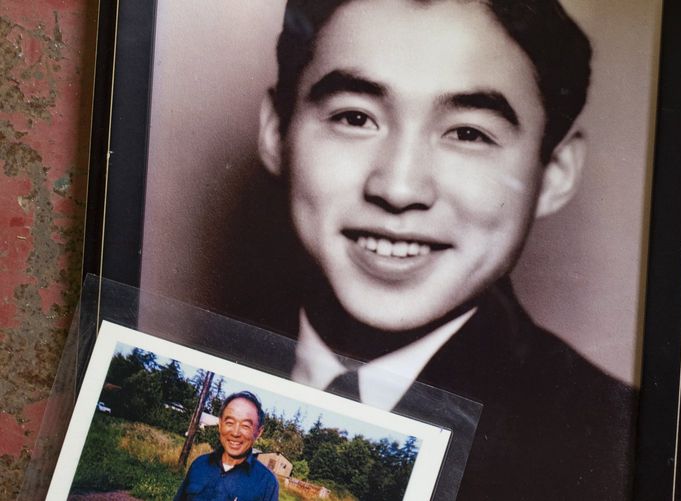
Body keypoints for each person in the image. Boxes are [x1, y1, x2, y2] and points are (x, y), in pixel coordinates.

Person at [256, 0, 636, 498]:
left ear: (554, 174)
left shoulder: (626, 453)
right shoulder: (172, 343)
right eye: (354, 117)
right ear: (274, 132)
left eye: (468, 133)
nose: (398, 187)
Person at [175, 391, 279, 501]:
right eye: (229, 422)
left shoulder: (267, 484)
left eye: (245, 426)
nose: (235, 433)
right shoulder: (199, 465)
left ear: (258, 432)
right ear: (220, 424)